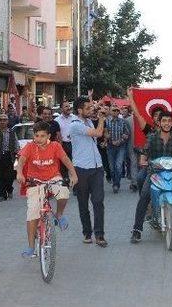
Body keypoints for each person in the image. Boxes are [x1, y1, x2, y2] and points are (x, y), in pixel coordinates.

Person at [16, 121, 78, 258]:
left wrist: (73, 173)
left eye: (42, 136)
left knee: (63, 192)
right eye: (36, 135)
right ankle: (31, 247)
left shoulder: (55, 146)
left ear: (49, 136)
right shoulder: (30, 146)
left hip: (53, 177)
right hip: (34, 181)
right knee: (32, 213)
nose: (38, 139)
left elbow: (66, 160)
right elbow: (21, 161)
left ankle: (59, 215)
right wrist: (19, 173)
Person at [130, 111, 172, 243]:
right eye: (164, 121)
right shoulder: (151, 138)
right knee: (144, 196)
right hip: (155, 173)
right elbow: (144, 154)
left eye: (169, 121)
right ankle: (137, 229)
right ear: (159, 123)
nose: (167, 123)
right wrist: (143, 159)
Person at [70, 96, 108, 247]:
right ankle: (87, 232)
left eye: (90, 107)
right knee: (83, 203)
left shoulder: (88, 121)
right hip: (81, 169)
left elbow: (98, 134)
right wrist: (102, 119)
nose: (91, 110)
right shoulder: (75, 125)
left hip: (97, 167)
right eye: (87, 108)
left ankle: (99, 235)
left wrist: (98, 116)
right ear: (79, 110)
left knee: (98, 201)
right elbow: (98, 133)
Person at [0, 115, 19, 202]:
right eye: (1, 120)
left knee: (9, 176)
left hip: (9, 155)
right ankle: (2, 195)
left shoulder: (11, 131)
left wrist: (17, 153)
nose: (2, 122)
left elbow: (16, 142)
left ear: (7, 121)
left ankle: (9, 189)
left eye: (4, 120)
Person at [104, 106, 130, 193]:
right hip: (110, 147)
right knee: (112, 167)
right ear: (110, 111)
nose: (115, 112)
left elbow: (127, 133)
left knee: (118, 166)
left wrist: (120, 140)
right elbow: (104, 134)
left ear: (119, 112)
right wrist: (109, 139)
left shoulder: (123, 122)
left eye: (117, 110)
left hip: (120, 147)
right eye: (113, 110)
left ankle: (116, 184)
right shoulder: (106, 122)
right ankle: (114, 182)